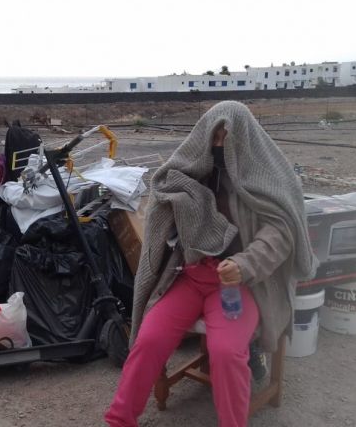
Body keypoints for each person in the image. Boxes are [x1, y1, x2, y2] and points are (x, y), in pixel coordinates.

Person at [105, 101, 317, 427]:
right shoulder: (194, 174)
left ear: (242, 138)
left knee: (228, 353)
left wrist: (245, 264)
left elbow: (281, 233)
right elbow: (164, 199)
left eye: (226, 137)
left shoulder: (267, 178)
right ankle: (120, 420)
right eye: (214, 136)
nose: (219, 144)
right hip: (190, 277)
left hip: (238, 285)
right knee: (148, 339)